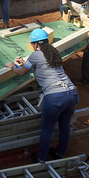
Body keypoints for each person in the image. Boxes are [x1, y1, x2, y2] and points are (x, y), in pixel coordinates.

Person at [8, 29, 77, 162]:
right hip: (72, 93)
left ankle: (41, 159)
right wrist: (25, 63)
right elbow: (43, 66)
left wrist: (12, 66)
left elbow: (22, 72)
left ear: (35, 44)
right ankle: (60, 153)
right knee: (64, 126)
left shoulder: (35, 55)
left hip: (55, 97)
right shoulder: (54, 53)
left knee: (47, 129)